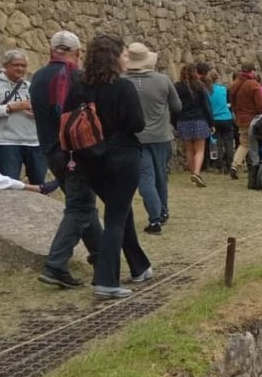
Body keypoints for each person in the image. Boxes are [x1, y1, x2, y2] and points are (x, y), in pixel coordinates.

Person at [63, 34, 152, 300]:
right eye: (124, 54)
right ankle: (106, 280)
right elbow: (137, 124)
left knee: (120, 211)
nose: (127, 59)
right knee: (115, 217)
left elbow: (68, 118)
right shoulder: (122, 88)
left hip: (90, 159)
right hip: (122, 157)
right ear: (114, 58)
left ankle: (139, 266)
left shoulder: (79, 86)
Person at [29, 30, 102, 288]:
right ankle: (56, 265)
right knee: (80, 206)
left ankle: (101, 258)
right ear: (77, 53)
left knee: (84, 204)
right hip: (74, 152)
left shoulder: (37, 77)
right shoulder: (75, 77)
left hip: (50, 151)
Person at [124, 42, 180, 234]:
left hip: (135, 137)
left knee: (145, 178)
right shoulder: (163, 80)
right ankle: (162, 212)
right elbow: (177, 106)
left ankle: (155, 218)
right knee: (160, 175)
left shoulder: (123, 82)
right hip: (161, 135)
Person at [0, 49, 47, 185]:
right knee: (10, 187)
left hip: (34, 143)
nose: (20, 68)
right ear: (6, 66)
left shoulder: (30, 87)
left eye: (23, 65)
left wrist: (37, 113)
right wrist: (10, 108)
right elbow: (9, 108)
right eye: (16, 65)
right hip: (7, 143)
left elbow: (44, 112)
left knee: (40, 187)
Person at [174, 63, 215, 187]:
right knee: (200, 150)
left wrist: (174, 122)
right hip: (199, 120)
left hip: (183, 120)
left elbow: (174, 106)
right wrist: (211, 122)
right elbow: (206, 106)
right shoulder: (200, 86)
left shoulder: (177, 87)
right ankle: (197, 173)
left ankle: (193, 174)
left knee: (189, 150)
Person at [228, 63, 262, 179]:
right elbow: (260, 104)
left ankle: (235, 165)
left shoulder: (235, 84)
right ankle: (257, 167)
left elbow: (232, 103)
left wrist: (237, 114)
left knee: (244, 144)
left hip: (241, 118)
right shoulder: (253, 84)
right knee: (256, 144)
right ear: (251, 72)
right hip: (253, 118)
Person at [202, 64, 235, 174]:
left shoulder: (206, 91)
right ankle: (230, 164)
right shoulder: (224, 89)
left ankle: (220, 164)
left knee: (217, 142)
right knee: (229, 142)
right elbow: (229, 104)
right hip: (226, 118)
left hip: (214, 119)